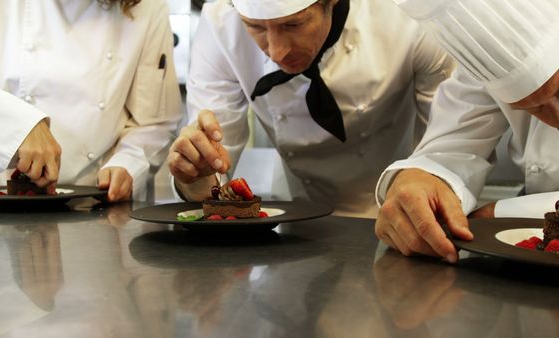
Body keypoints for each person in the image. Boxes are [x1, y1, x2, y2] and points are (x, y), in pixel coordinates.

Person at [167, 0, 455, 217]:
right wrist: (196, 176)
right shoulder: (221, 24)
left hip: (395, 212)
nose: (277, 51)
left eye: (293, 25)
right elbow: (214, 167)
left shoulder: (411, 16)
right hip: (293, 216)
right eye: (255, 27)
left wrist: (430, 188)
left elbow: (445, 149)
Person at [0, 0, 182, 202]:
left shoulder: (146, 5)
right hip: (10, 205)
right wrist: (17, 129)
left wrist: (128, 164)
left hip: (98, 206)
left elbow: (156, 121)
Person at [375, 0, 559, 262]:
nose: (555, 119)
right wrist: (423, 178)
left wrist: (500, 213)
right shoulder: (493, 46)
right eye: (532, 108)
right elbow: (455, 138)